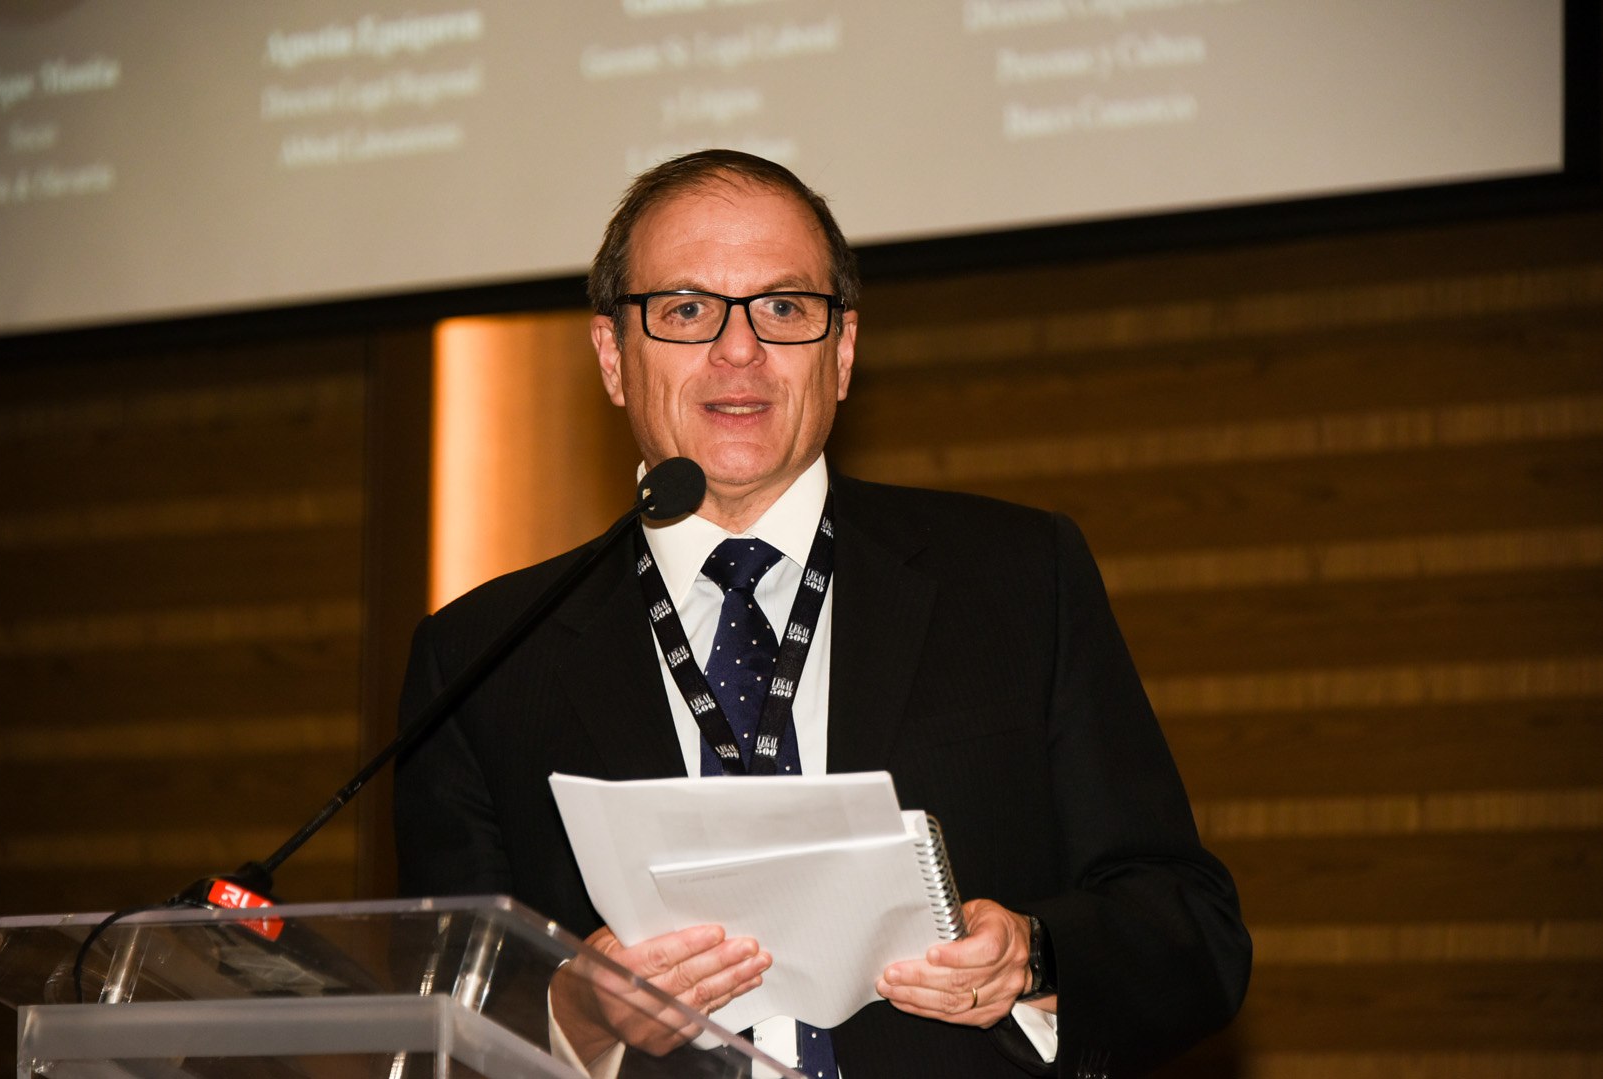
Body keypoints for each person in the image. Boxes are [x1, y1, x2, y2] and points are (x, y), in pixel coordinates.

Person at [394, 149, 1251, 1077]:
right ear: (613, 356)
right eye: (686, 309)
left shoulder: (1014, 579)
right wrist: (579, 1009)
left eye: (784, 307)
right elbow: (445, 1015)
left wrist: (1033, 956)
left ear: (841, 352)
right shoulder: (483, 658)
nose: (739, 350)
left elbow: (1192, 932)